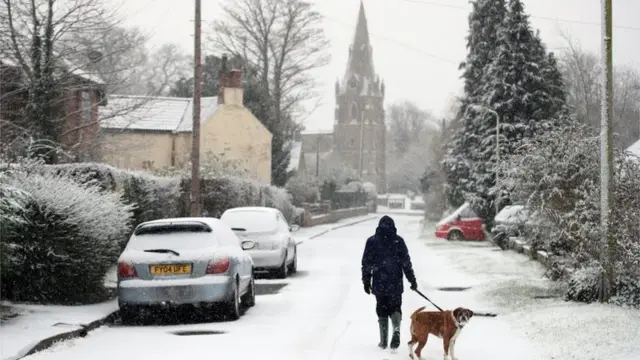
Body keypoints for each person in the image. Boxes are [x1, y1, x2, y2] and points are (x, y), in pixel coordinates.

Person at [361, 215, 418, 351]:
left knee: (381, 308)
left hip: (379, 282)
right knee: (395, 307)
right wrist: (412, 280)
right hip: (395, 282)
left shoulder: (372, 241)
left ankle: (384, 340)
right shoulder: (399, 241)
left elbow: (366, 263)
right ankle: (396, 328)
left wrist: (366, 281)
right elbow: (406, 263)